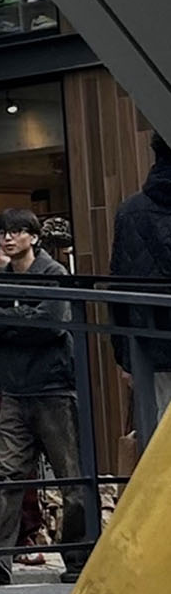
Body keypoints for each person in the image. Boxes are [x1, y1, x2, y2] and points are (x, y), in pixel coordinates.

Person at [0, 208, 93, 584]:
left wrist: (9, 321)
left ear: (34, 237)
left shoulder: (54, 273)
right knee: (7, 474)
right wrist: (22, 317)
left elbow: (50, 324)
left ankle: (79, 558)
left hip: (53, 389)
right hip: (13, 388)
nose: (8, 238)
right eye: (3, 232)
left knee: (71, 478)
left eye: (17, 231)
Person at [110, 132, 171, 429]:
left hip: (153, 345)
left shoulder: (130, 211)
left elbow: (119, 287)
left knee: (164, 432)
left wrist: (125, 358)